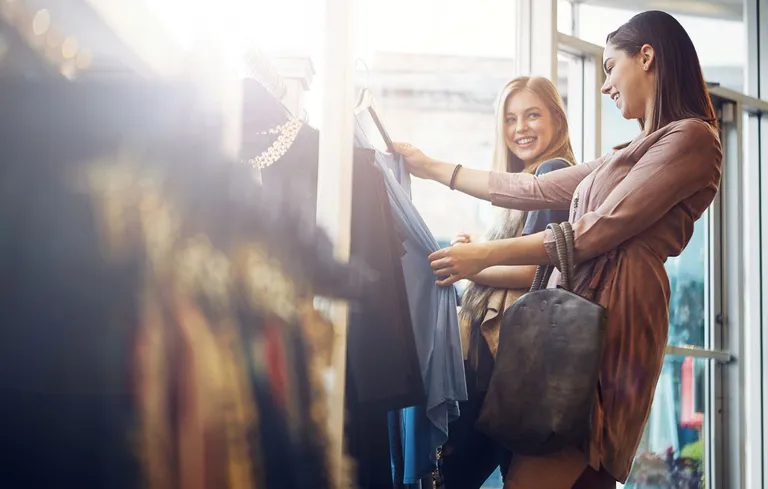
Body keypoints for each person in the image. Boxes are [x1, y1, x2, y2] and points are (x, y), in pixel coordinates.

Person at [394, 10, 722, 489]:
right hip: (582, 315)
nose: (606, 85)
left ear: (646, 56)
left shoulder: (692, 138)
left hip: (615, 316)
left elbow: (592, 233)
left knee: (571, 463)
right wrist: (432, 168)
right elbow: (529, 190)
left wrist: (481, 259)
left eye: (610, 67)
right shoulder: (629, 152)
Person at [437, 75, 576, 489]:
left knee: (452, 474)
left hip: (509, 370)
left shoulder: (553, 173)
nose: (521, 128)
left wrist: (471, 265)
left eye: (533, 115)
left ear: (556, 119)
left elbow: (539, 271)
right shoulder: (528, 182)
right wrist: (477, 250)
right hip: (503, 369)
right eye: (511, 118)